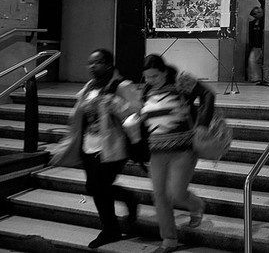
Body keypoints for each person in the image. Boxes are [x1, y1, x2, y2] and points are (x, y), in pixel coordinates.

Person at [50, 49, 141, 249]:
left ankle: (111, 229)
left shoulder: (121, 86)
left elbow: (136, 112)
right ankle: (127, 199)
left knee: (99, 188)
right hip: (88, 146)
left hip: (113, 148)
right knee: (94, 188)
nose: (92, 66)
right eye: (90, 63)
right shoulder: (90, 86)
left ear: (109, 64)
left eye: (97, 62)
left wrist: (115, 103)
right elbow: (79, 113)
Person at [140, 54, 214, 253]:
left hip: (183, 149)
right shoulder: (146, 90)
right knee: (160, 196)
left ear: (164, 72)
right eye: (146, 77)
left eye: (154, 76)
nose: (149, 81)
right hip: (156, 152)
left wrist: (203, 125)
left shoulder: (181, 81)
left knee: (177, 193)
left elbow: (208, 95)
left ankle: (196, 205)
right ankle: (169, 240)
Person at [248, 6, 268, 86]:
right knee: (252, 60)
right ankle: (256, 77)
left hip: (263, 44)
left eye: (256, 14)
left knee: (265, 62)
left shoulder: (265, 22)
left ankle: (265, 78)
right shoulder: (254, 23)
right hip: (256, 45)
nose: (255, 15)